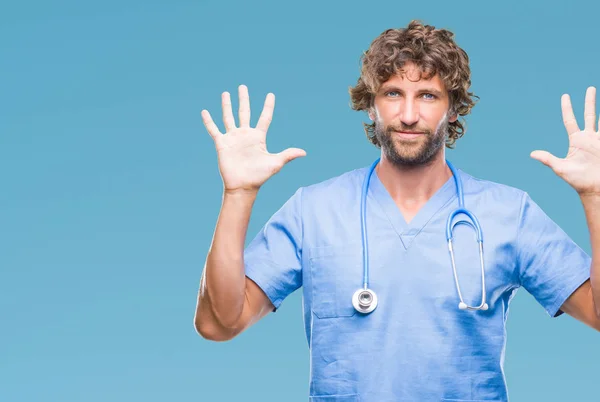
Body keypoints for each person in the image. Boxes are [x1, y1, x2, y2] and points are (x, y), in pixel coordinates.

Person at [195, 20, 600, 401]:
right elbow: (219, 323)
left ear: (453, 108)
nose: (408, 115)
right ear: (371, 106)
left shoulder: (509, 214)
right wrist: (239, 193)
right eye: (393, 93)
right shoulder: (313, 211)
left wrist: (596, 196)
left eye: (428, 95)